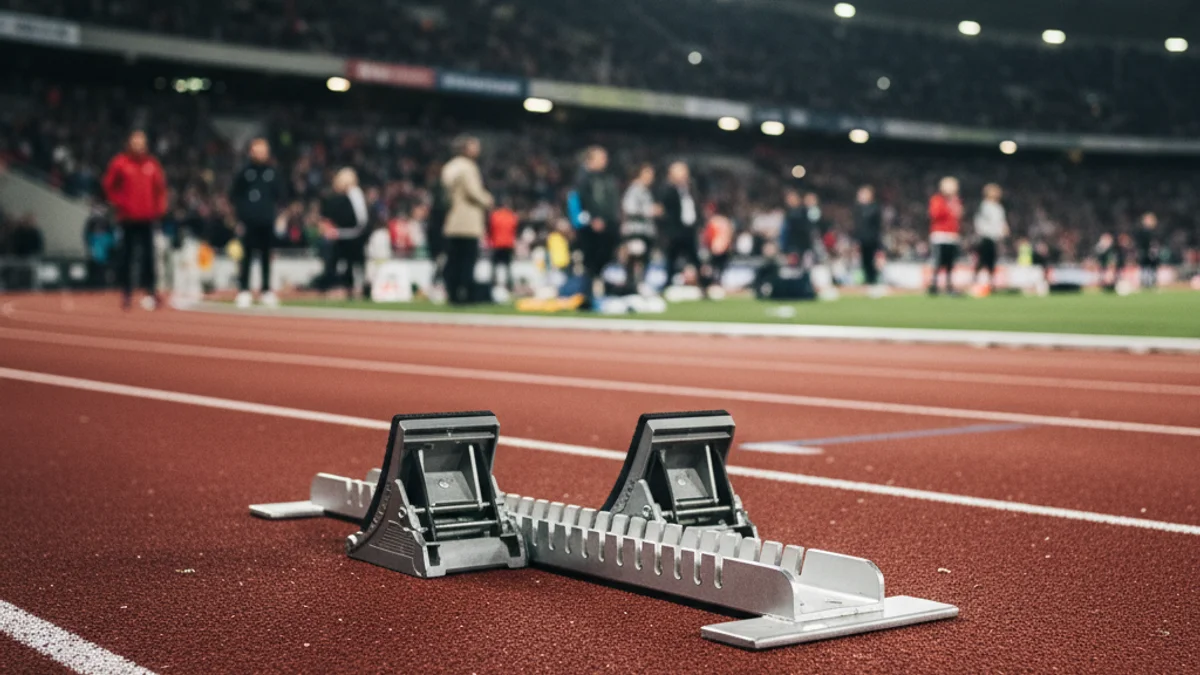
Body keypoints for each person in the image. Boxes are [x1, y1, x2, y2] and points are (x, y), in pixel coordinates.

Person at [102, 130, 168, 310]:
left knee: (149, 257)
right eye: (136, 143)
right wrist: (119, 203)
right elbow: (109, 185)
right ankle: (126, 292)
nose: (139, 147)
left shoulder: (152, 164)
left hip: (148, 217)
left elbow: (160, 189)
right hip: (128, 218)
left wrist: (159, 209)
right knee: (127, 256)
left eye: (142, 143)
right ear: (129, 144)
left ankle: (151, 291)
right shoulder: (120, 163)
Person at [230, 138, 285, 308]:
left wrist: (281, 217)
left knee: (266, 256)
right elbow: (234, 196)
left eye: (263, 150)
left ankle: (266, 290)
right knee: (245, 257)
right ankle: (244, 290)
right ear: (251, 152)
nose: (260, 153)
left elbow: (281, 197)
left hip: (267, 221)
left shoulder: (273, 172)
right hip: (247, 222)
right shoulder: (244, 172)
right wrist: (237, 219)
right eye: (257, 150)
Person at [440, 136, 493, 305]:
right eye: (474, 146)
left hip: (453, 218)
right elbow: (473, 191)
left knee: (453, 258)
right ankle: (465, 294)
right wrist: (488, 200)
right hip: (468, 219)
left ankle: (452, 292)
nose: (477, 149)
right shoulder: (468, 167)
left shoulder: (449, 167)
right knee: (467, 259)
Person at [573, 146, 621, 301]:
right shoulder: (584, 178)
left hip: (607, 223)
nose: (605, 161)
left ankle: (600, 290)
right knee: (591, 260)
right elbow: (584, 200)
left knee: (605, 258)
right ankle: (587, 294)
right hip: (591, 225)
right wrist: (594, 218)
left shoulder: (606, 178)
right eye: (601, 158)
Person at [319, 167, 369, 299]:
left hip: (351, 236)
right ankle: (342, 287)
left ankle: (350, 288)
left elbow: (360, 221)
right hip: (345, 235)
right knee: (340, 262)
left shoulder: (354, 193)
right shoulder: (341, 196)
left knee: (349, 263)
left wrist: (339, 232)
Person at [620, 163, 660, 292]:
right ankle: (632, 286)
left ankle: (637, 285)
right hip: (635, 231)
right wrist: (649, 211)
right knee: (636, 258)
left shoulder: (645, 190)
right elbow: (629, 208)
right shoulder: (635, 189)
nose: (651, 178)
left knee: (643, 258)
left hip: (645, 231)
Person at [659, 161, 700, 283]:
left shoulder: (691, 189)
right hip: (675, 231)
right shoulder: (667, 189)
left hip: (690, 229)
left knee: (694, 258)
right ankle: (668, 284)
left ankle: (700, 284)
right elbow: (663, 208)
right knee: (671, 258)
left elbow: (695, 207)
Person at [928, 176, 963, 295]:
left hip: (952, 236)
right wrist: (948, 208)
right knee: (938, 261)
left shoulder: (956, 200)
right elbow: (935, 214)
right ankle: (934, 285)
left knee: (950, 263)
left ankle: (949, 286)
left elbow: (958, 216)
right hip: (940, 235)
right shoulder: (937, 199)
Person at [973, 183, 1008, 291]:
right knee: (983, 259)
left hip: (994, 237)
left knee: (991, 261)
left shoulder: (998, 207)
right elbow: (979, 221)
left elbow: (1001, 222)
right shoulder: (985, 206)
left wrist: (1003, 229)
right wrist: (982, 232)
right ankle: (975, 281)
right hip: (986, 237)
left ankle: (991, 284)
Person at [853, 185, 884, 294]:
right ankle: (866, 282)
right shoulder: (858, 209)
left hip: (872, 239)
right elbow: (856, 226)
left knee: (872, 261)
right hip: (862, 239)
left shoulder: (874, 208)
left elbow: (878, 226)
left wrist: (879, 242)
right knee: (864, 262)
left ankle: (873, 282)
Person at [488, 197, 519, 292]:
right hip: (508, 244)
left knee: (494, 266)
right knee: (508, 267)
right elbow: (515, 230)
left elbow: (491, 229)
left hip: (497, 244)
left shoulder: (494, 216)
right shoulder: (512, 216)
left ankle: (493, 284)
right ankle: (509, 286)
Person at [782, 188, 816, 263]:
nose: (790, 201)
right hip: (792, 246)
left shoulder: (805, 211)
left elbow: (811, 226)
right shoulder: (788, 213)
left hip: (805, 245)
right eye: (788, 199)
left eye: (792, 198)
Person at [1134, 212, 1160, 288]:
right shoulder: (1142, 231)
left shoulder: (1155, 232)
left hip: (1153, 253)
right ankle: (1145, 283)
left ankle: (1152, 283)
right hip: (1145, 253)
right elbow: (1140, 243)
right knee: (1144, 268)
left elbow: (1156, 243)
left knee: (1152, 268)